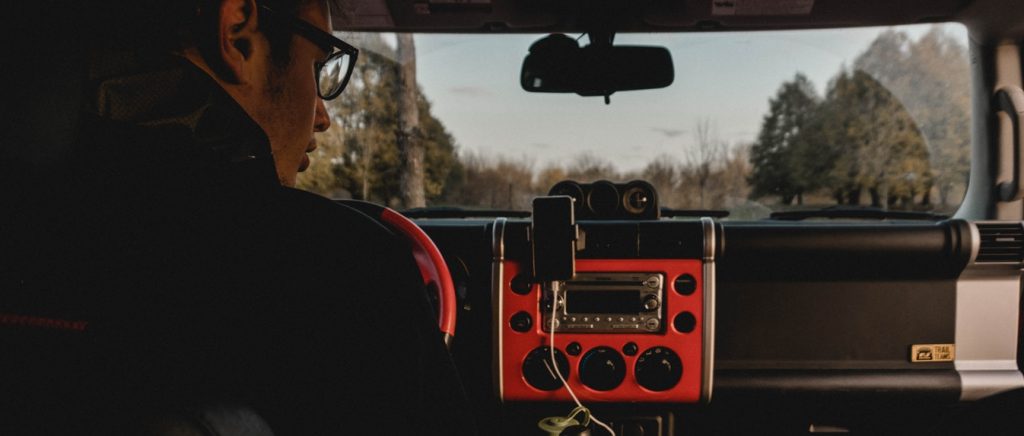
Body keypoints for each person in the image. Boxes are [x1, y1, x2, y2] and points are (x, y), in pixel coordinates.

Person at [0, 0, 476, 434]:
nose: (323, 117)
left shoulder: (31, 230)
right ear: (237, 32)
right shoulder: (339, 264)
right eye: (319, 63)